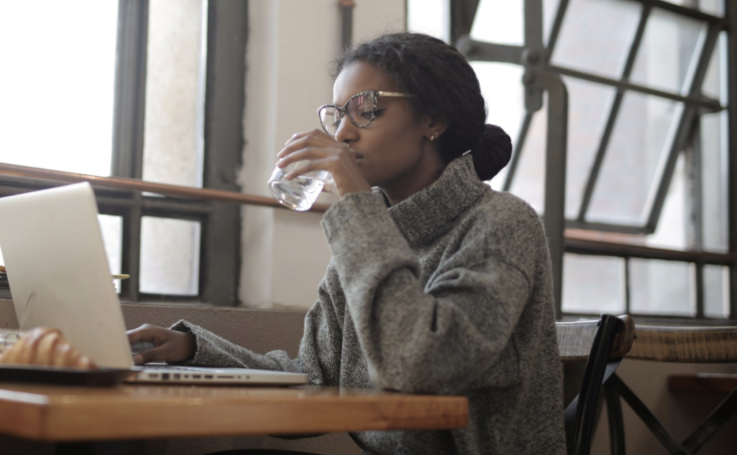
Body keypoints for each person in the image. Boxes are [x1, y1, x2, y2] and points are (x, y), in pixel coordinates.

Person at [127, 32, 565, 455]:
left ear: (433, 120)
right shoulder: (364, 238)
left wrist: (356, 203)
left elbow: (418, 365)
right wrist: (195, 349)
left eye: (367, 110)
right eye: (338, 116)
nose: (342, 135)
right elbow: (312, 378)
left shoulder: (501, 223)